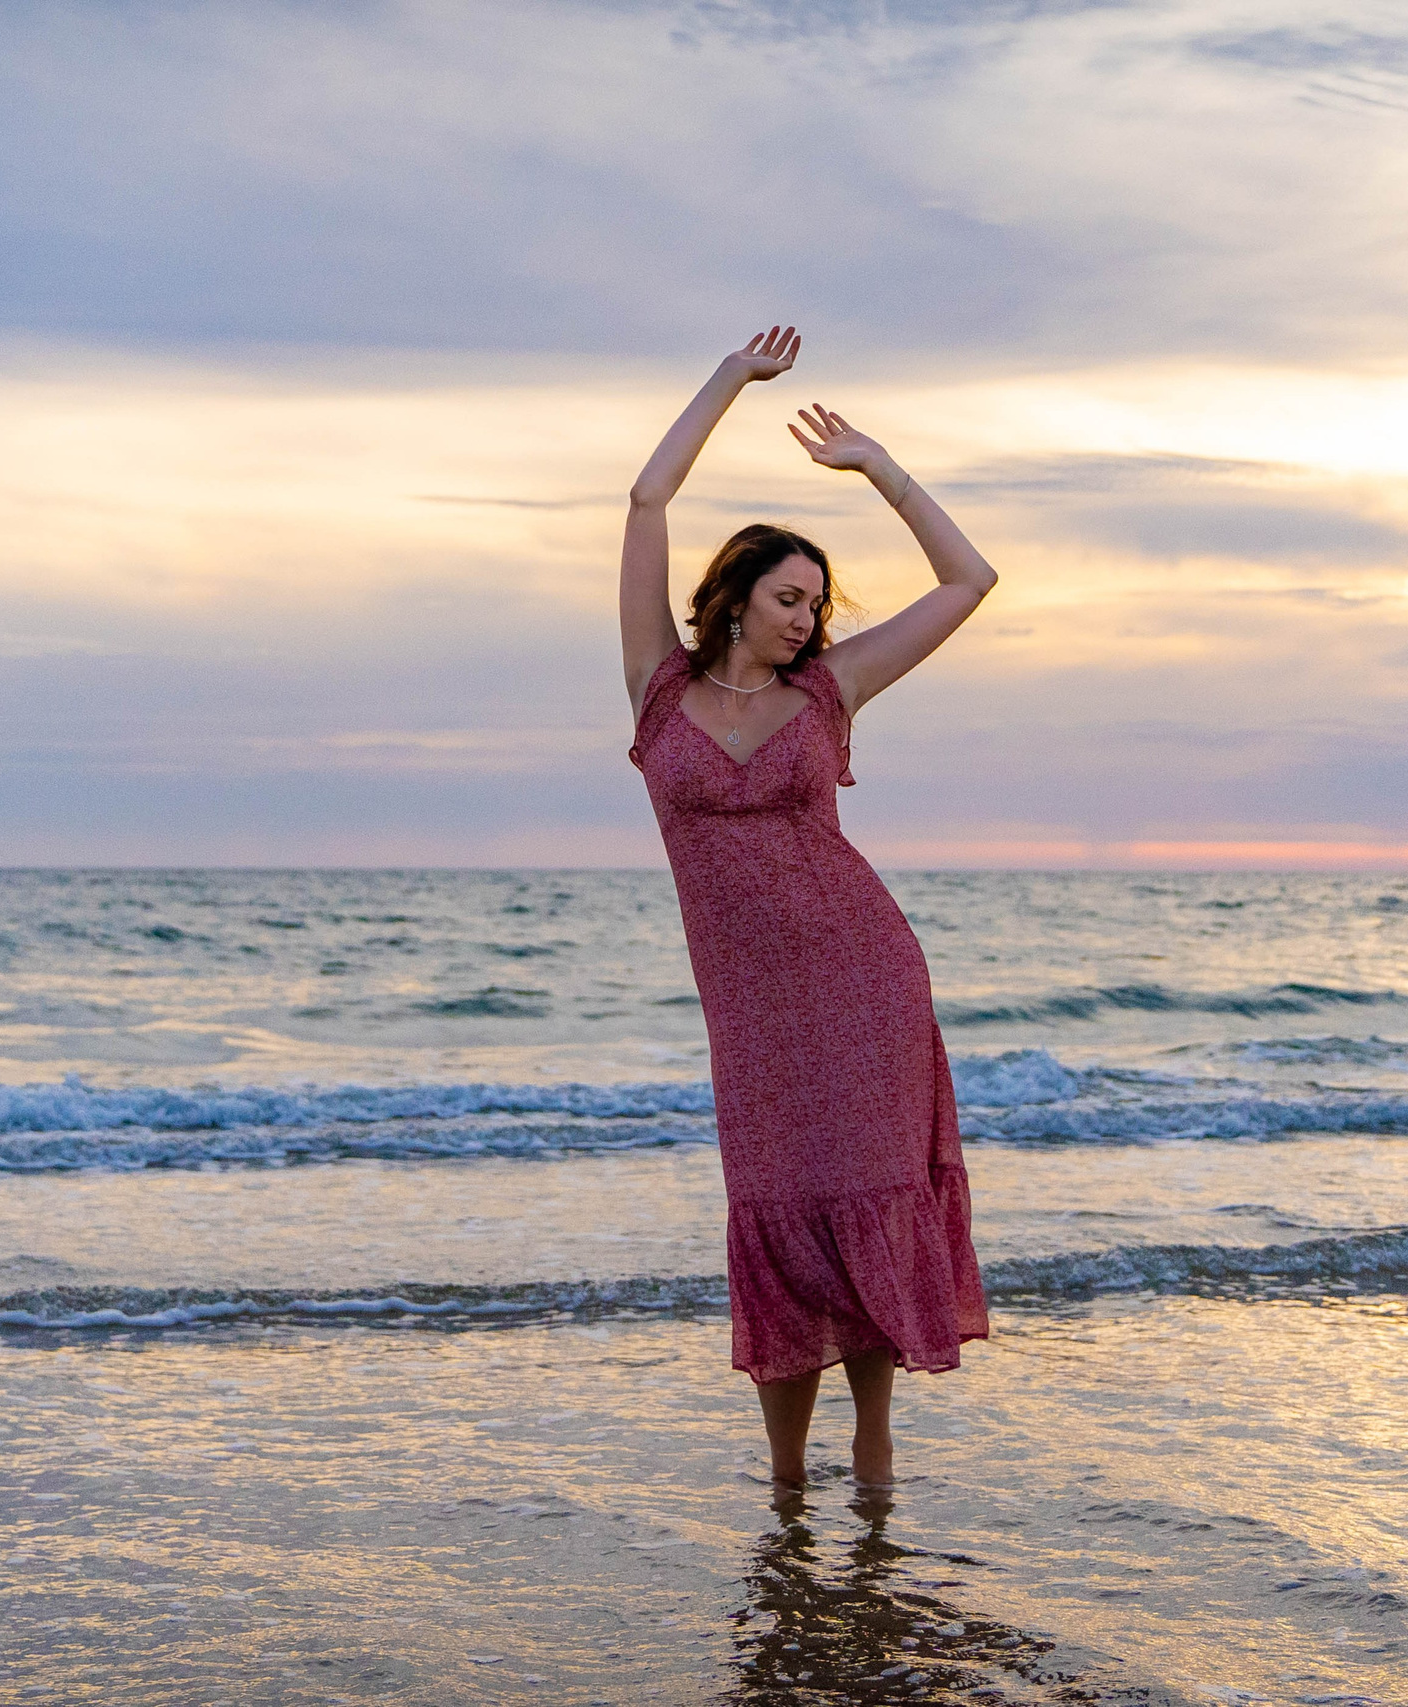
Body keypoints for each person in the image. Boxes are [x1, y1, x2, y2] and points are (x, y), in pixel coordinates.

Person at [621, 325, 996, 1489]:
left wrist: (879, 468)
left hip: (861, 976)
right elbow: (643, 500)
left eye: (817, 604)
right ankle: (786, 1471)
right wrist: (731, 380)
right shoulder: (658, 689)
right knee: (778, 1205)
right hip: (753, 1013)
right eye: (788, 597)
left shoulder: (831, 692)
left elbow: (968, 581)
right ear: (733, 596)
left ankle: (872, 1443)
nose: (805, 619)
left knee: (867, 1200)